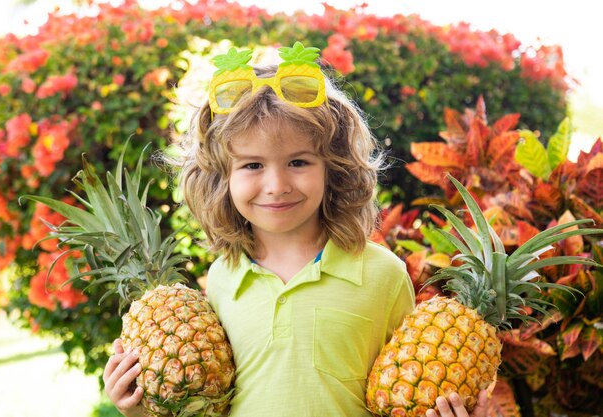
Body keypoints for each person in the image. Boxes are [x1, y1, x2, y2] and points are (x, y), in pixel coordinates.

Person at [102, 42, 490, 417]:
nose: (277, 185)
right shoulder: (223, 278)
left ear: (333, 168)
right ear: (222, 178)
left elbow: (405, 394)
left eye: (299, 162)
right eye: (252, 165)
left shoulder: (383, 275)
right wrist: (142, 410)